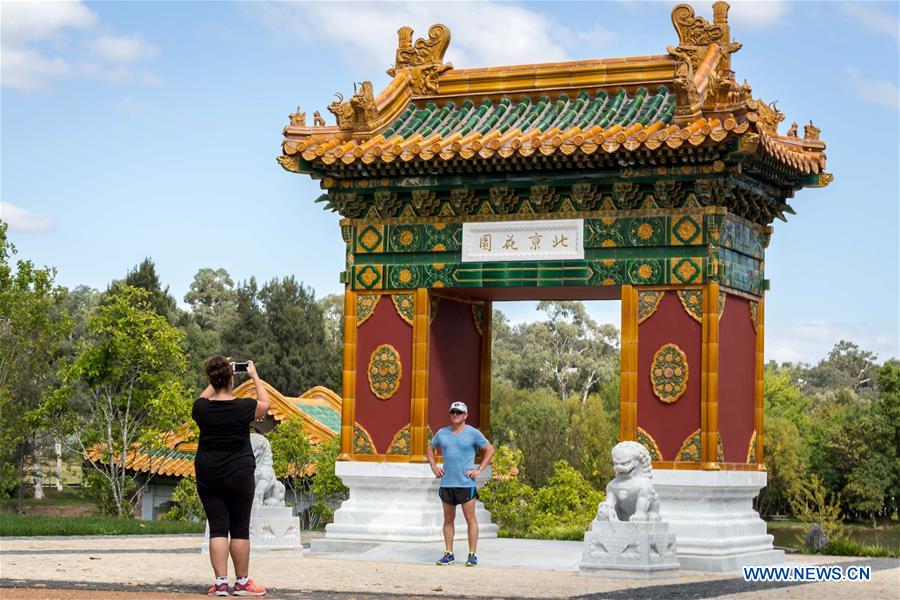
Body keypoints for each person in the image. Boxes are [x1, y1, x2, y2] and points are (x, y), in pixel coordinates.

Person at [193, 356, 270, 596]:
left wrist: (216, 380)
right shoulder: (244, 407)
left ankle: (220, 584)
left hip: (209, 473)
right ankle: (243, 582)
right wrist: (254, 376)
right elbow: (265, 404)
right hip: (239, 473)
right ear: (231, 378)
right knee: (239, 529)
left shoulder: (201, 408)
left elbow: (202, 398)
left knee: (217, 528)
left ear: (211, 379)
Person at [425, 401, 494, 567]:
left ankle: (472, 555)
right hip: (447, 483)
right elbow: (430, 448)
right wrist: (434, 467)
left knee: (470, 518)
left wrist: (479, 470)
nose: (455, 415)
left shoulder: (473, 433)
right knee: (448, 519)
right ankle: (448, 554)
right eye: (453, 412)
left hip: (466, 484)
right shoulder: (442, 433)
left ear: (465, 415)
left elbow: (489, 449)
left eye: (459, 412)